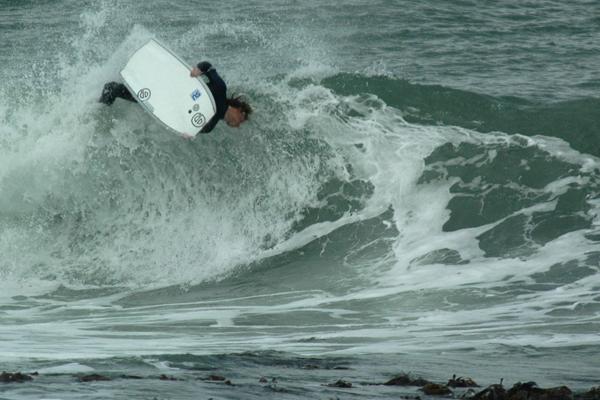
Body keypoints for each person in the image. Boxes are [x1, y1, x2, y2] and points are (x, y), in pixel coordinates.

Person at [99, 61, 252, 135]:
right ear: (240, 111)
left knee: (118, 91)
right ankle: (101, 103)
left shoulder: (210, 127)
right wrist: (198, 69)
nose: (237, 125)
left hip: (167, 103)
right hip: (172, 86)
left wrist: (185, 132)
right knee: (117, 89)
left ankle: (99, 109)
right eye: (241, 121)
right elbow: (208, 67)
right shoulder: (220, 89)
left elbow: (187, 127)